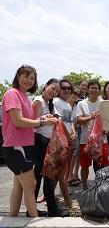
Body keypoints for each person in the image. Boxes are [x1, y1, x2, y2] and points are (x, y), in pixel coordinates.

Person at [2, 65, 57, 217]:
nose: (29, 80)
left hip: (24, 145)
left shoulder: (25, 96)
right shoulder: (12, 93)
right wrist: (42, 123)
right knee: (31, 185)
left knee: (19, 186)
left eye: (32, 78)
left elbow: (28, 121)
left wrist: (41, 119)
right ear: (18, 76)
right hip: (16, 146)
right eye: (26, 76)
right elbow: (18, 121)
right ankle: (33, 219)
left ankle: (13, 218)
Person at [32, 78, 70, 217]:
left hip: (48, 141)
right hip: (39, 141)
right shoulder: (38, 101)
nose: (54, 92)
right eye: (52, 88)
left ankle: (42, 209)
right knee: (42, 175)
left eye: (56, 91)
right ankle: (46, 209)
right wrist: (46, 121)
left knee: (46, 175)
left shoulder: (49, 103)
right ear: (46, 86)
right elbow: (33, 124)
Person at [77, 80, 109, 190]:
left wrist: (108, 130)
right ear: (88, 89)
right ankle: (85, 188)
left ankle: (100, 188)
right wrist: (90, 117)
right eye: (91, 87)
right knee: (85, 166)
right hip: (85, 140)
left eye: (96, 88)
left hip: (101, 141)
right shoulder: (82, 104)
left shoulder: (103, 103)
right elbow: (79, 120)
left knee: (101, 166)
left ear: (99, 90)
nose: (94, 90)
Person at [53, 79, 75, 209]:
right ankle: (67, 202)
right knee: (60, 172)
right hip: (60, 141)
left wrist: (73, 132)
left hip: (67, 141)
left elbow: (70, 121)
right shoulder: (56, 101)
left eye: (68, 88)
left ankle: (63, 199)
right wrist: (68, 135)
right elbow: (59, 121)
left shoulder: (67, 104)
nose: (66, 90)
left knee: (62, 171)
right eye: (64, 88)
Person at [67, 87, 81, 186]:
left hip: (77, 133)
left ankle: (73, 175)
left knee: (76, 155)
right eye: (73, 93)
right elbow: (67, 121)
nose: (75, 95)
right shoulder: (65, 105)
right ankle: (69, 176)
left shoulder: (76, 105)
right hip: (68, 134)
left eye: (77, 94)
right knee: (69, 156)